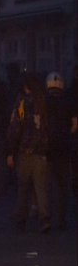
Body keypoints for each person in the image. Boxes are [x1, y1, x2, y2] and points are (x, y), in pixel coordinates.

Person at [7, 74, 52, 233]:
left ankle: (21, 219)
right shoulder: (42, 101)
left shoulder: (21, 102)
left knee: (23, 188)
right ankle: (44, 218)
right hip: (41, 151)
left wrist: (11, 151)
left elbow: (15, 127)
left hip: (24, 150)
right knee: (41, 187)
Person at [50, 73, 75, 230]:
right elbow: (75, 124)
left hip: (47, 148)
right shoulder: (68, 103)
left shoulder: (44, 103)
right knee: (62, 185)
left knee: (45, 185)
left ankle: (45, 217)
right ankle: (60, 218)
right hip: (64, 148)